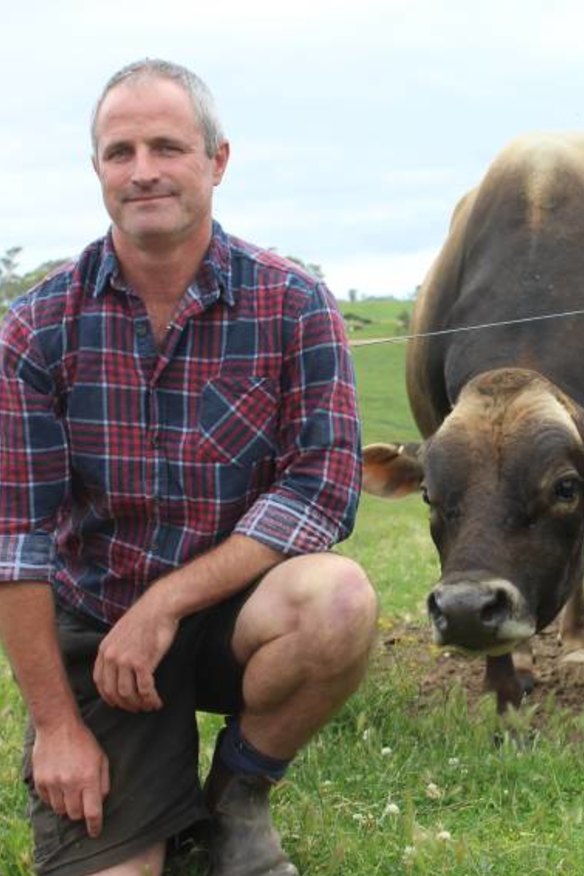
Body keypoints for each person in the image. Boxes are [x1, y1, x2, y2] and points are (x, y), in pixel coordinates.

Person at [0, 59, 378, 876]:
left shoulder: (293, 302)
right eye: (119, 151)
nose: (143, 172)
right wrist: (60, 730)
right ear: (96, 168)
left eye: (167, 146)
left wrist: (168, 602)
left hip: (230, 615)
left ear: (217, 160)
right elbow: (17, 541)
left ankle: (235, 800)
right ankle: (134, 789)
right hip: (99, 625)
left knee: (338, 598)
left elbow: (322, 487)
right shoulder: (36, 328)